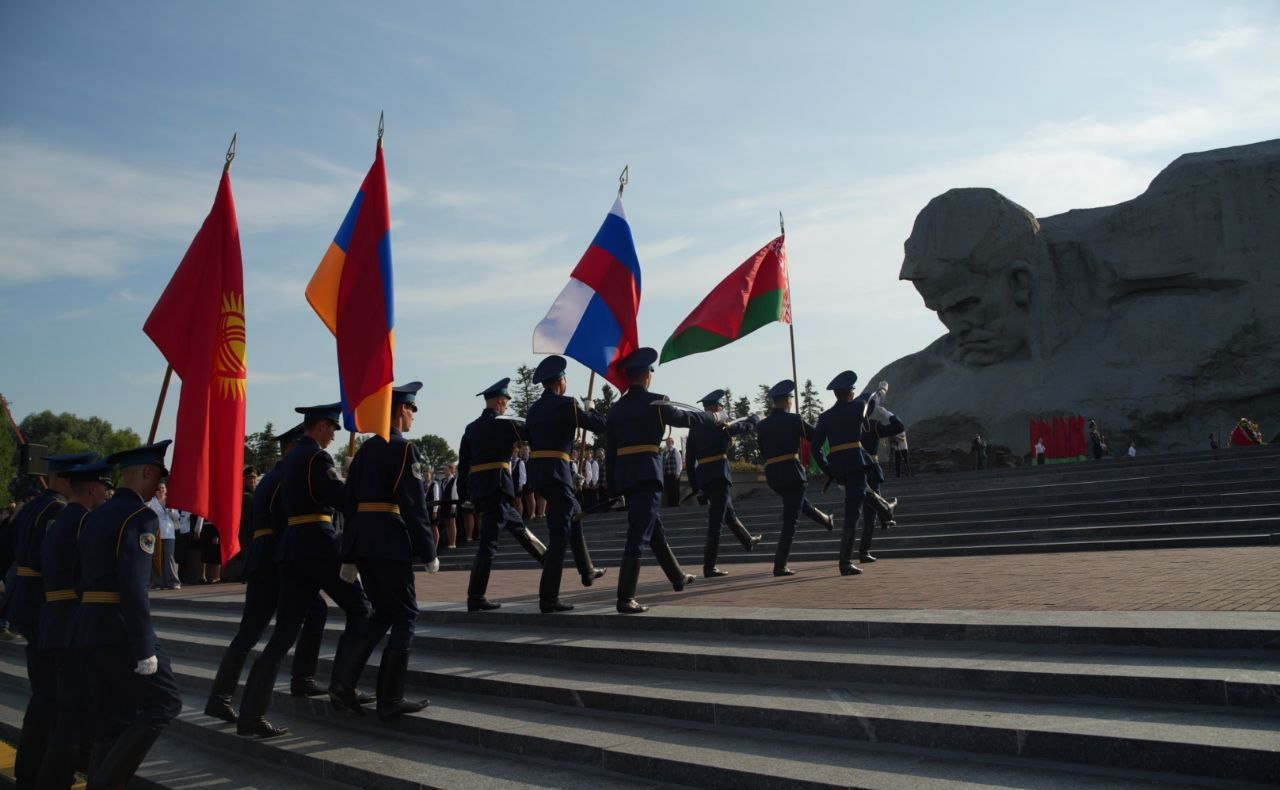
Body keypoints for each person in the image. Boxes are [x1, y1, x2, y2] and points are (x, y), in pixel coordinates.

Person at [237, 402, 372, 738]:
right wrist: (353, 477)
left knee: (284, 633)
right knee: (361, 608)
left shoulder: (291, 460)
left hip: (292, 548)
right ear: (322, 427)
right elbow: (342, 500)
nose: (334, 438)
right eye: (333, 430)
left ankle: (251, 712)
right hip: (318, 544)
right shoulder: (317, 458)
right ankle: (343, 684)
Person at [71, 441, 182, 789]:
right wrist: (145, 647)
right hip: (119, 628)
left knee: (114, 717)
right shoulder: (141, 517)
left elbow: (78, 576)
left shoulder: (95, 515)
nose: (160, 485)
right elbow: (134, 587)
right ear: (148, 472)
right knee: (164, 702)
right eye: (159, 476)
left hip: (88, 624)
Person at [204, 423, 331, 724]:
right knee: (282, 625)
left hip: (265, 557)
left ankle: (222, 696)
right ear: (291, 447)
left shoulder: (271, 478)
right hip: (276, 559)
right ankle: (297, 679)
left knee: (304, 615)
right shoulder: (283, 477)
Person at [331, 382, 440, 720]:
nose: (413, 417)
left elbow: (350, 503)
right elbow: (412, 504)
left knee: (381, 614)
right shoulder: (403, 449)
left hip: (363, 540)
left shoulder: (365, 450)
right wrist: (428, 549)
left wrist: (349, 553)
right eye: (411, 410)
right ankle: (390, 699)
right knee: (406, 614)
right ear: (399, 410)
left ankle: (343, 684)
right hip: (388, 541)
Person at [605, 348, 725, 613]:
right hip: (647, 474)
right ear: (647, 375)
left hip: (626, 476)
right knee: (638, 534)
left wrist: (612, 489)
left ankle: (677, 577)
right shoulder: (657, 403)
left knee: (654, 529)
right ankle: (625, 598)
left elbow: (610, 453)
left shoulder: (615, 409)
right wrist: (715, 417)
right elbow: (689, 418)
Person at [9, 451, 96, 788]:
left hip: (28, 600)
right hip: (47, 603)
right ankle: (41, 770)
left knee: (43, 695)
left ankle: (29, 770)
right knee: (53, 697)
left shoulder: (31, 507)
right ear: (65, 480)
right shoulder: (59, 512)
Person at [33, 459, 113, 789]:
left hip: (55, 617)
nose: (109, 496)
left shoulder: (62, 517)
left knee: (69, 708)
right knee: (75, 710)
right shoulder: (83, 521)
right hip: (71, 622)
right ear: (93, 489)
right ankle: (55, 779)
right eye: (107, 490)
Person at [526, 356, 610, 613]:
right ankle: (548, 598)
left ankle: (587, 570)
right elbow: (599, 425)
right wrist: (591, 408)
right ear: (560, 381)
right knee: (560, 537)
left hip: (540, 475)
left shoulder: (534, 409)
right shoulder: (567, 404)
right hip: (557, 474)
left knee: (574, 516)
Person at [459, 378, 548, 611]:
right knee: (489, 543)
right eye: (506, 402)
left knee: (521, 530)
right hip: (497, 490)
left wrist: (464, 497)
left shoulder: (471, 428)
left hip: (482, 491)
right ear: (499, 401)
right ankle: (476, 596)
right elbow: (534, 433)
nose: (507, 406)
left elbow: (463, 466)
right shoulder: (505, 424)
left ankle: (550, 564)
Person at [756, 380, 836, 577]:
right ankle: (780, 565)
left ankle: (826, 520)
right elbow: (816, 437)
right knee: (790, 519)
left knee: (797, 503)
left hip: (773, 476)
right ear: (787, 400)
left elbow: (763, 450)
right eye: (791, 398)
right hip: (791, 472)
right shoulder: (793, 419)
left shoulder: (762, 425)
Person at [686, 389, 761, 578]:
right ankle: (709, 567)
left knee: (728, 512)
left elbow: (688, 459)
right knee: (716, 521)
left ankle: (748, 540)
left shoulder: (695, 427)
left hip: (704, 476)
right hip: (719, 474)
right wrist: (754, 418)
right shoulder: (720, 423)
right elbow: (742, 428)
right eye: (721, 405)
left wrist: (696, 486)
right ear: (717, 407)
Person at [855, 381, 905, 562]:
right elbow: (899, 427)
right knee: (870, 513)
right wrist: (886, 412)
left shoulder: (852, 426)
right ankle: (864, 551)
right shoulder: (873, 426)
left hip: (854, 470)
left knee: (856, 512)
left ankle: (885, 518)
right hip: (871, 470)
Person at [148, 483, 180, 590]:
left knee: (169, 558)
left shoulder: (170, 501)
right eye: (159, 489)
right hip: (157, 533)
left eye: (163, 488)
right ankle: (158, 583)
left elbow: (177, 517)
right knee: (157, 558)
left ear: (166, 490)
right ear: (155, 491)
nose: (161, 490)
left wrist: (171, 510)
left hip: (169, 533)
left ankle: (173, 582)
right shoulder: (151, 502)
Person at [438, 464, 460, 548]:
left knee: (452, 522)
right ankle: (449, 542)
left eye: (446, 469)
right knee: (447, 523)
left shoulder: (454, 480)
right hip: (444, 504)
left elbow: (455, 493)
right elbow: (441, 493)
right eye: (444, 470)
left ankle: (453, 542)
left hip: (451, 504)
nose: (444, 471)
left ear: (451, 470)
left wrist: (454, 506)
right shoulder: (443, 481)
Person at [661, 437, 683, 507]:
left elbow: (679, 462)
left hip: (674, 474)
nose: (668, 443)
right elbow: (661, 464)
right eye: (667, 442)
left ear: (672, 443)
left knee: (675, 490)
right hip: (666, 475)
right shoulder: (663, 453)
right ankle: (670, 505)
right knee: (668, 490)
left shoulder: (675, 451)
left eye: (670, 442)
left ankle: (676, 505)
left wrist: (678, 473)